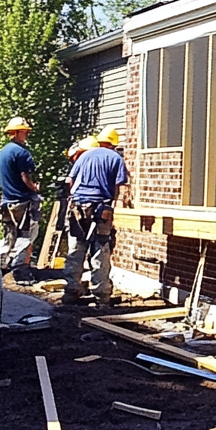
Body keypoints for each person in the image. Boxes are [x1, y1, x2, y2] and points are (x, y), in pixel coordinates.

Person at [62, 125, 129, 305]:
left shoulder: (84, 156)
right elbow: (117, 187)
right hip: (101, 208)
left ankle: (71, 290)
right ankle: (101, 295)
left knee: (76, 248)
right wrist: (111, 206)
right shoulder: (115, 158)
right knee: (101, 248)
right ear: (114, 144)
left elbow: (71, 181)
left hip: (78, 207)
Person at [0, 116, 42, 284]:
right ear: (16, 133)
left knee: (9, 235)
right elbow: (25, 176)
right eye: (25, 132)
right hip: (22, 201)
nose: (27, 135)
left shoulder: (5, 151)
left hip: (6, 201)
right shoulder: (21, 152)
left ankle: (2, 268)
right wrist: (34, 187)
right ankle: (20, 272)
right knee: (26, 235)